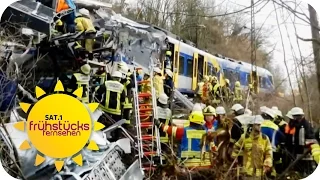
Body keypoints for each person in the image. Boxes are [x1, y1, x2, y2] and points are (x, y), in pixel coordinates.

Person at [232, 115, 273, 179]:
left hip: (260, 174)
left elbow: (269, 153)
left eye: (260, 125)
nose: (260, 126)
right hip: (247, 173)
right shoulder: (245, 137)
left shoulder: (265, 138)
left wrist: (267, 163)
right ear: (252, 125)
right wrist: (237, 158)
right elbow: (235, 148)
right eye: (257, 125)